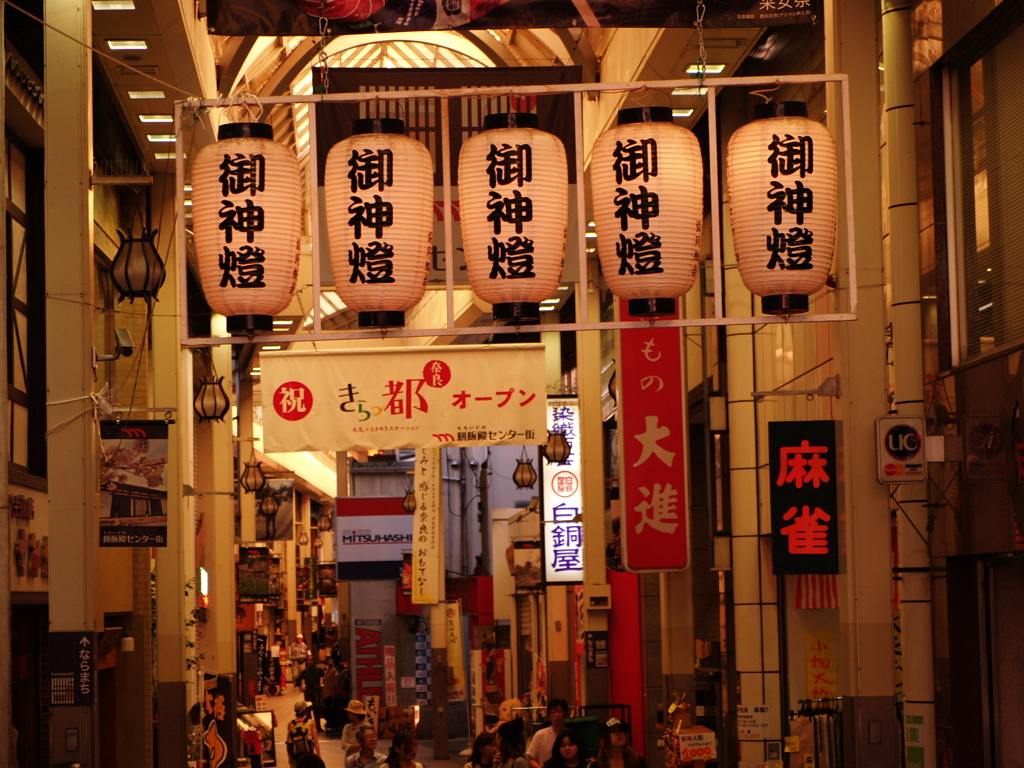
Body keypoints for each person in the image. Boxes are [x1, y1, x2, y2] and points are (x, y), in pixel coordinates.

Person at [526, 698, 569, 768]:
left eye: (560, 711)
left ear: (566, 714)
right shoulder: (540, 735)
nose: (557, 715)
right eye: (553, 712)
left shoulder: (570, 735)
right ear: (549, 716)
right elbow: (531, 760)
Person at [286, 700, 321, 768]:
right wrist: (319, 756)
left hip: (295, 757)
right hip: (308, 756)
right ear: (306, 711)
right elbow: (315, 741)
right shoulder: (310, 722)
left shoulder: (290, 724)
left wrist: (289, 758)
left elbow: (288, 743)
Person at [297, 657, 325, 727]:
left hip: (317, 691)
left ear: (314, 661)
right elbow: (298, 679)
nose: (310, 662)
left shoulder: (319, 670)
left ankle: (318, 726)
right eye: (308, 660)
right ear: (306, 661)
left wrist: (322, 686)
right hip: (308, 691)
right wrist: (300, 687)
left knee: (317, 709)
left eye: (311, 660)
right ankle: (310, 725)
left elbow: (325, 678)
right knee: (308, 709)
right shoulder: (305, 671)